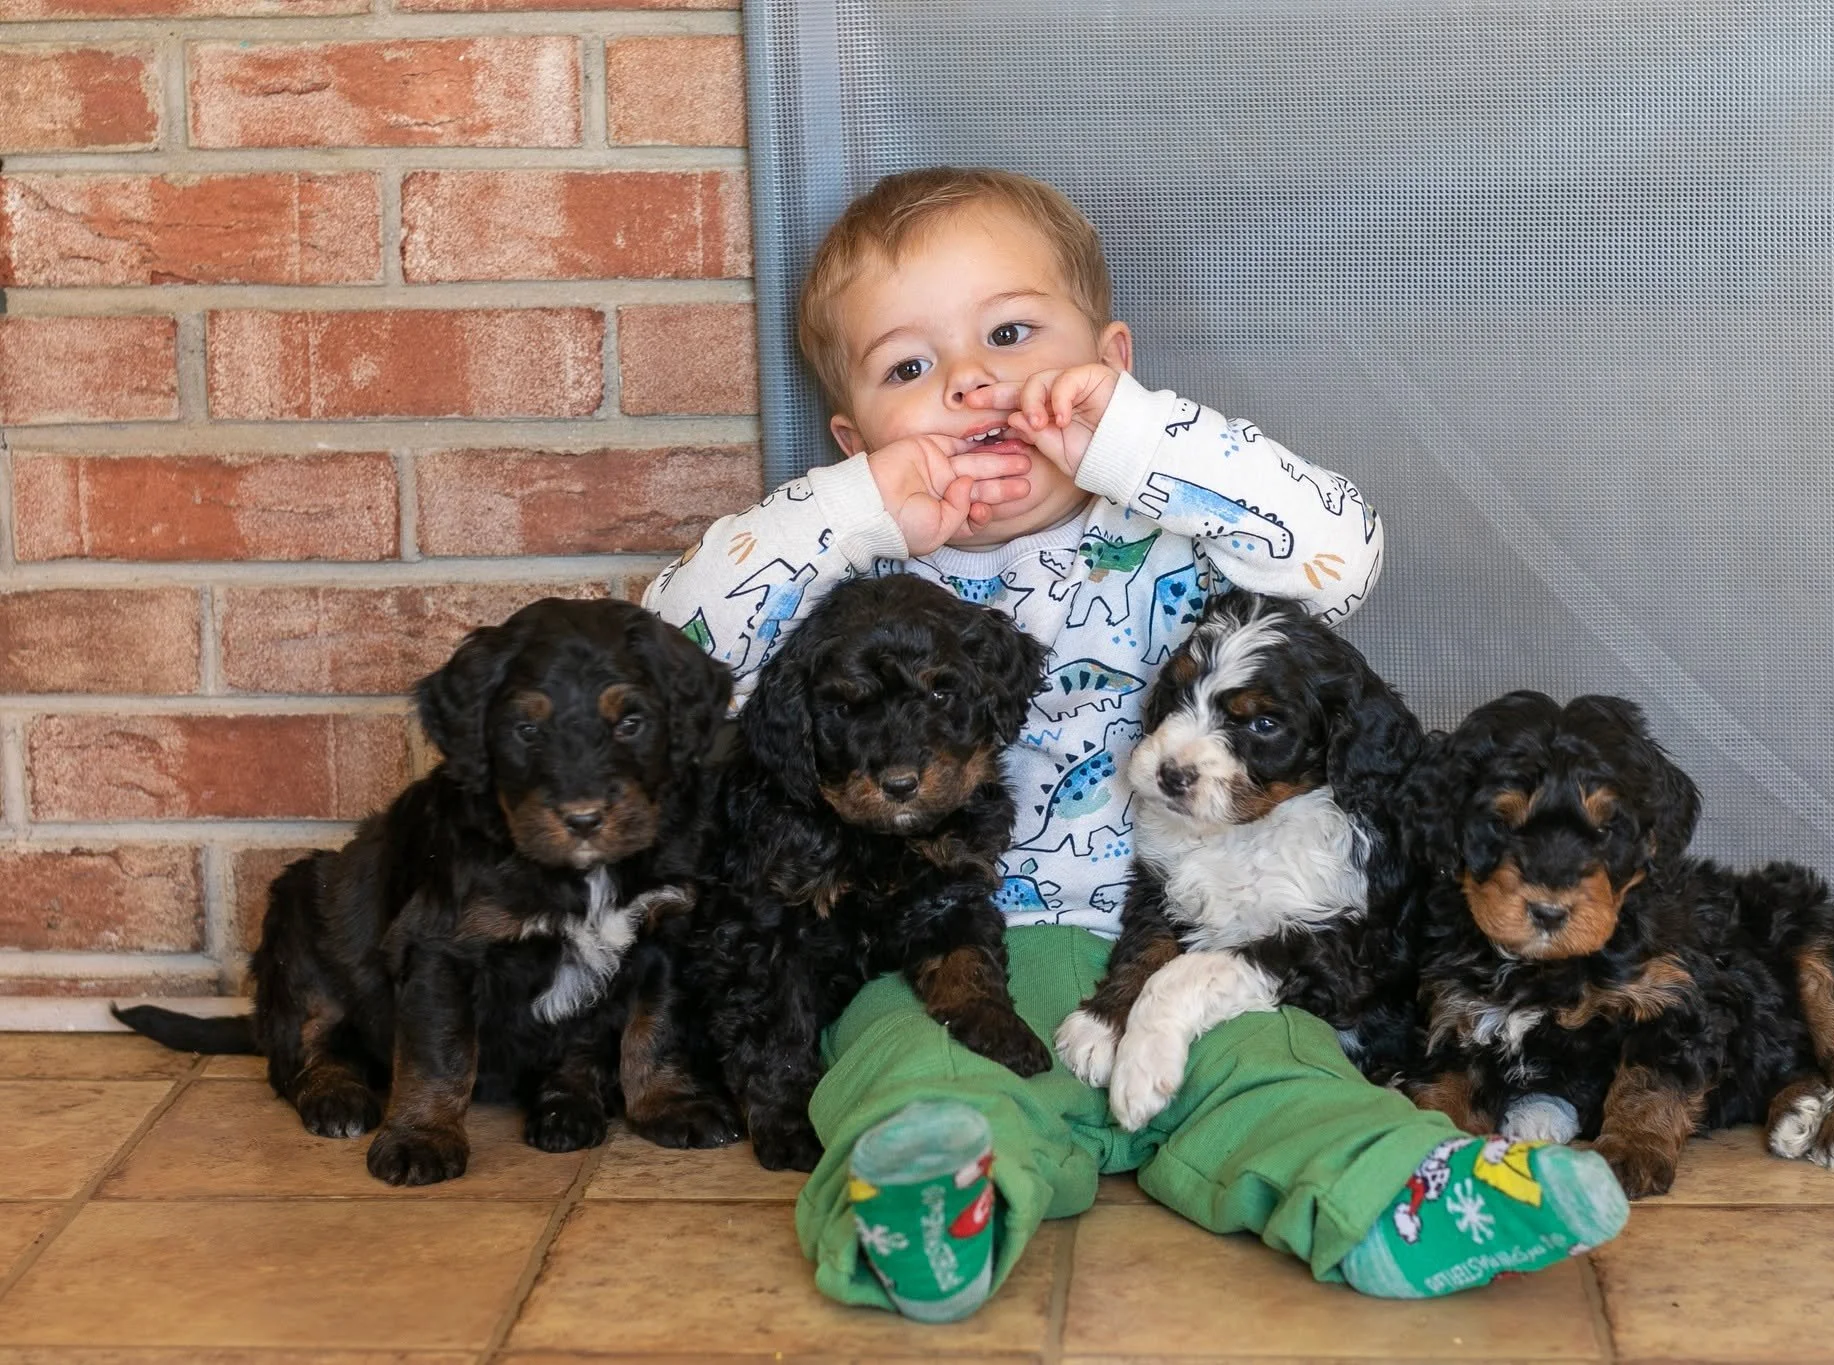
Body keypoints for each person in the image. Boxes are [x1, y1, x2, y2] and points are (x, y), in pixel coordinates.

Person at [642, 166, 1628, 1316]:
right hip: (945, 954)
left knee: (1281, 1072)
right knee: (906, 1076)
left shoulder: (1171, 536)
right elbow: (671, 667)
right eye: (910, 368)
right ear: (857, 434)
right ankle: (924, 1206)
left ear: (1106, 360)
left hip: (1172, 944)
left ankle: (1405, 1197)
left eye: (1009, 335)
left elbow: (1341, 555)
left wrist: (1131, 438)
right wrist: (850, 508)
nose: (970, 383)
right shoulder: (861, 569)